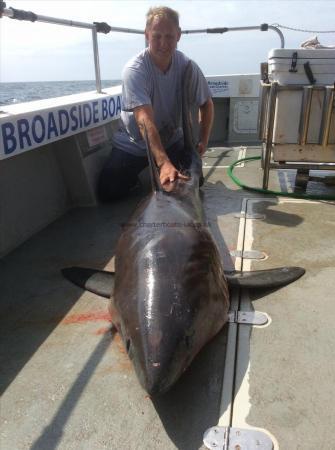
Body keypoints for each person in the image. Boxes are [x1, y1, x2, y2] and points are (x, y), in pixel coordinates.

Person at [98, 6, 214, 201]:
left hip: (172, 140)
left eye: (169, 36)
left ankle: (161, 172)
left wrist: (203, 140)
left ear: (178, 36)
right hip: (134, 144)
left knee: (193, 181)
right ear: (146, 35)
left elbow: (207, 104)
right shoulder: (135, 70)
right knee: (108, 191)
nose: (163, 43)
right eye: (157, 36)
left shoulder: (187, 67)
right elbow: (144, 119)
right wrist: (164, 163)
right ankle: (141, 178)